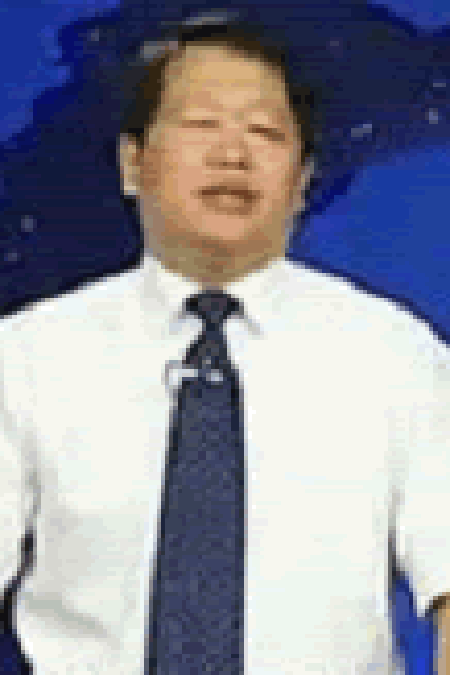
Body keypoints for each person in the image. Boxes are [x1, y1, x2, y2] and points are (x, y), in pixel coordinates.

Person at [1, 13, 449, 675]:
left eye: (264, 132)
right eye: (201, 125)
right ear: (132, 162)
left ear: (304, 178)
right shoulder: (26, 356)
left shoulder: (398, 358)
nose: (232, 154)